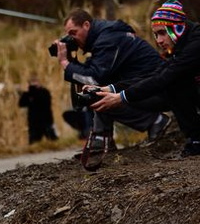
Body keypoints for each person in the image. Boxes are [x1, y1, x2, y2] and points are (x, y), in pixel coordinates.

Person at [92, 0, 200, 157]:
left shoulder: (195, 44)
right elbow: (156, 74)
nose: (159, 40)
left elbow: (165, 77)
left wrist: (122, 97)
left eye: (162, 33)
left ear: (178, 27)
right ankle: (195, 138)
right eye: (156, 35)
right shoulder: (181, 45)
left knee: (174, 82)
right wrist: (110, 88)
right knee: (172, 84)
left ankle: (197, 138)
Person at [53, 8, 171, 150]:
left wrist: (65, 63)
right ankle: (102, 139)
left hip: (158, 91)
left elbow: (93, 77)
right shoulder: (105, 36)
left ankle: (155, 122)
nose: (72, 38)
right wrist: (71, 60)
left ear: (86, 25)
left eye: (74, 33)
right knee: (95, 91)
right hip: (143, 87)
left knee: (97, 94)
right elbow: (92, 74)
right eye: (68, 35)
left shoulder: (108, 39)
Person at [18, 76, 58, 144]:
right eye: (32, 83)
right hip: (33, 121)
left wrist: (33, 94)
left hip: (45, 119)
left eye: (35, 82)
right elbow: (21, 104)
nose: (33, 84)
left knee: (52, 139)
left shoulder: (44, 92)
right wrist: (28, 94)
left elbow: (45, 103)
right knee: (34, 140)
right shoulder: (28, 94)